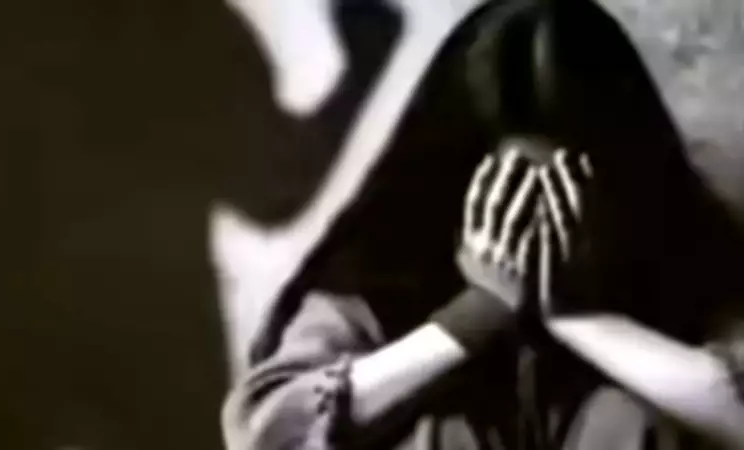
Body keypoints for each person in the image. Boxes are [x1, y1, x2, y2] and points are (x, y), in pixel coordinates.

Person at [221, 0, 744, 448]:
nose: (535, 223)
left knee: (623, 415)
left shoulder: (687, 259)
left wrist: (579, 318)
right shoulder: (379, 276)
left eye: (565, 192)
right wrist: (471, 320)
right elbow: (268, 434)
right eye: (511, 191)